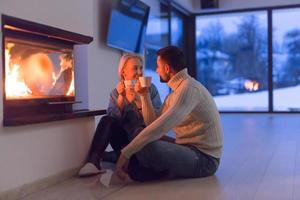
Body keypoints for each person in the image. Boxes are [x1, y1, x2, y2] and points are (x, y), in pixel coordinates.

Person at [116, 46, 224, 182]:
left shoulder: (189, 89)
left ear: (167, 69)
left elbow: (159, 127)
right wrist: (144, 95)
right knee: (141, 135)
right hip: (187, 147)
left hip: (205, 160)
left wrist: (125, 154)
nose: (156, 70)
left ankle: (139, 168)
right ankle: (144, 169)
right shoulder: (176, 92)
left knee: (148, 147)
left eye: (157, 66)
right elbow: (152, 123)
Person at [78, 53, 161, 177]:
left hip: (143, 140)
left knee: (138, 172)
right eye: (135, 68)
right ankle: (93, 162)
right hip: (123, 140)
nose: (139, 72)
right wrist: (121, 99)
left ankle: (113, 156)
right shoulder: (116, 93)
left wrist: (141, 99)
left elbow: (158, 120)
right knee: (107, 119)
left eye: (141, 68)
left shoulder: (151, 89)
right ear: (123, 73)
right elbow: (112, 123)